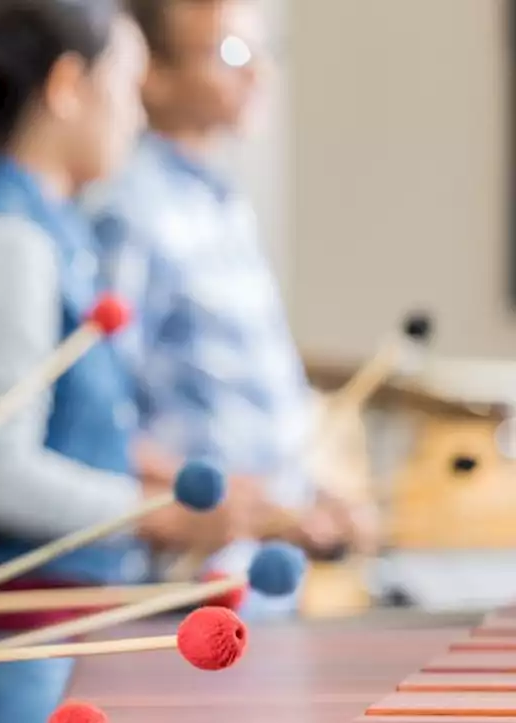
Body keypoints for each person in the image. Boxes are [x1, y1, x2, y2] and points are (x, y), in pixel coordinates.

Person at [0, 1, 251, 721]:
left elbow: (60, 429)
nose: (137, 117)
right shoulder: (7, 241)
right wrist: (158, 516)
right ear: (67, 85)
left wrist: (159, 481)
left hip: (40, 642)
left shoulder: (49, 226)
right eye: (126, 86)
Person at [83, 0, 373, 584]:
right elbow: (93, 411)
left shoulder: (223, 202)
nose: (256, 71)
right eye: (229, 53)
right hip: (183, 581)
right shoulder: (131, 209)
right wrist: (206, 500)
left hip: (257, 571)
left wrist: (310, 495)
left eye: (261, 51)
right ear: (153, 75)